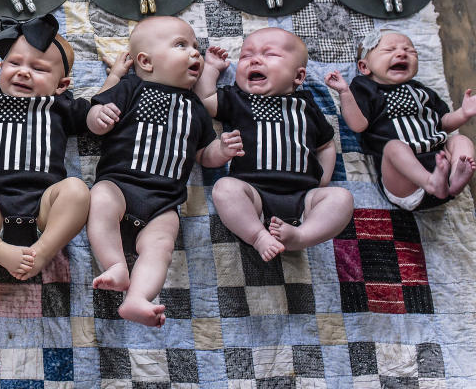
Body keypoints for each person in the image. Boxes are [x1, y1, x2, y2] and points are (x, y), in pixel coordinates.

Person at [86, 16, 244, 327]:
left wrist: (221, 151)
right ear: (145, 61)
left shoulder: (197, 108)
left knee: (160, 247)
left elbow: (203, 154)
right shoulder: (130, 88)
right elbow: (94, 115)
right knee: (100, 199)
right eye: (181, 45)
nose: (194, 53)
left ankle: (139, 297)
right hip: (120, 184)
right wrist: (98, 117)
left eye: (196, 47)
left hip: (164, 202)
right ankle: (115, 265)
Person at [0, 14, 123, 280]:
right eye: (13, 63)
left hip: (45, 210)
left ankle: (43, 251)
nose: (23, 71)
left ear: (61, 86)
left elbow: (95, 116)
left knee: (77, 189)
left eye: (39, 69)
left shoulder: (62, 105)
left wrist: (113, 86)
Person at [196, 27, 353, 261]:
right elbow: (206, 100)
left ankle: (301, 236)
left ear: (298, 77)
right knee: (224, 188)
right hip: (253, 193)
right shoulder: (239, 99)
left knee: (342, 198)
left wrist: (323, 181)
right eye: (246, 56)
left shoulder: (306, 106)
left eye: (270, 55)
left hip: (304, 196)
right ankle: (258, 235)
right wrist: (211, 69)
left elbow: (326, 145)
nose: (254, 60)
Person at [325, 30, 475, 210]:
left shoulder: (421, 90)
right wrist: (344, 93)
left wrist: (463, 114)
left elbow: (443, 123)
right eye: (389, 50)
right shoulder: (364, 87)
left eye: (410, 51)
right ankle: (430, 181)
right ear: (365, 67)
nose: (402, 53)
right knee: (394, 148)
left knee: (460, 140)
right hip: (406, 185)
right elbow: (358, 125)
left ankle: (456, 177)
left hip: (442, 168)